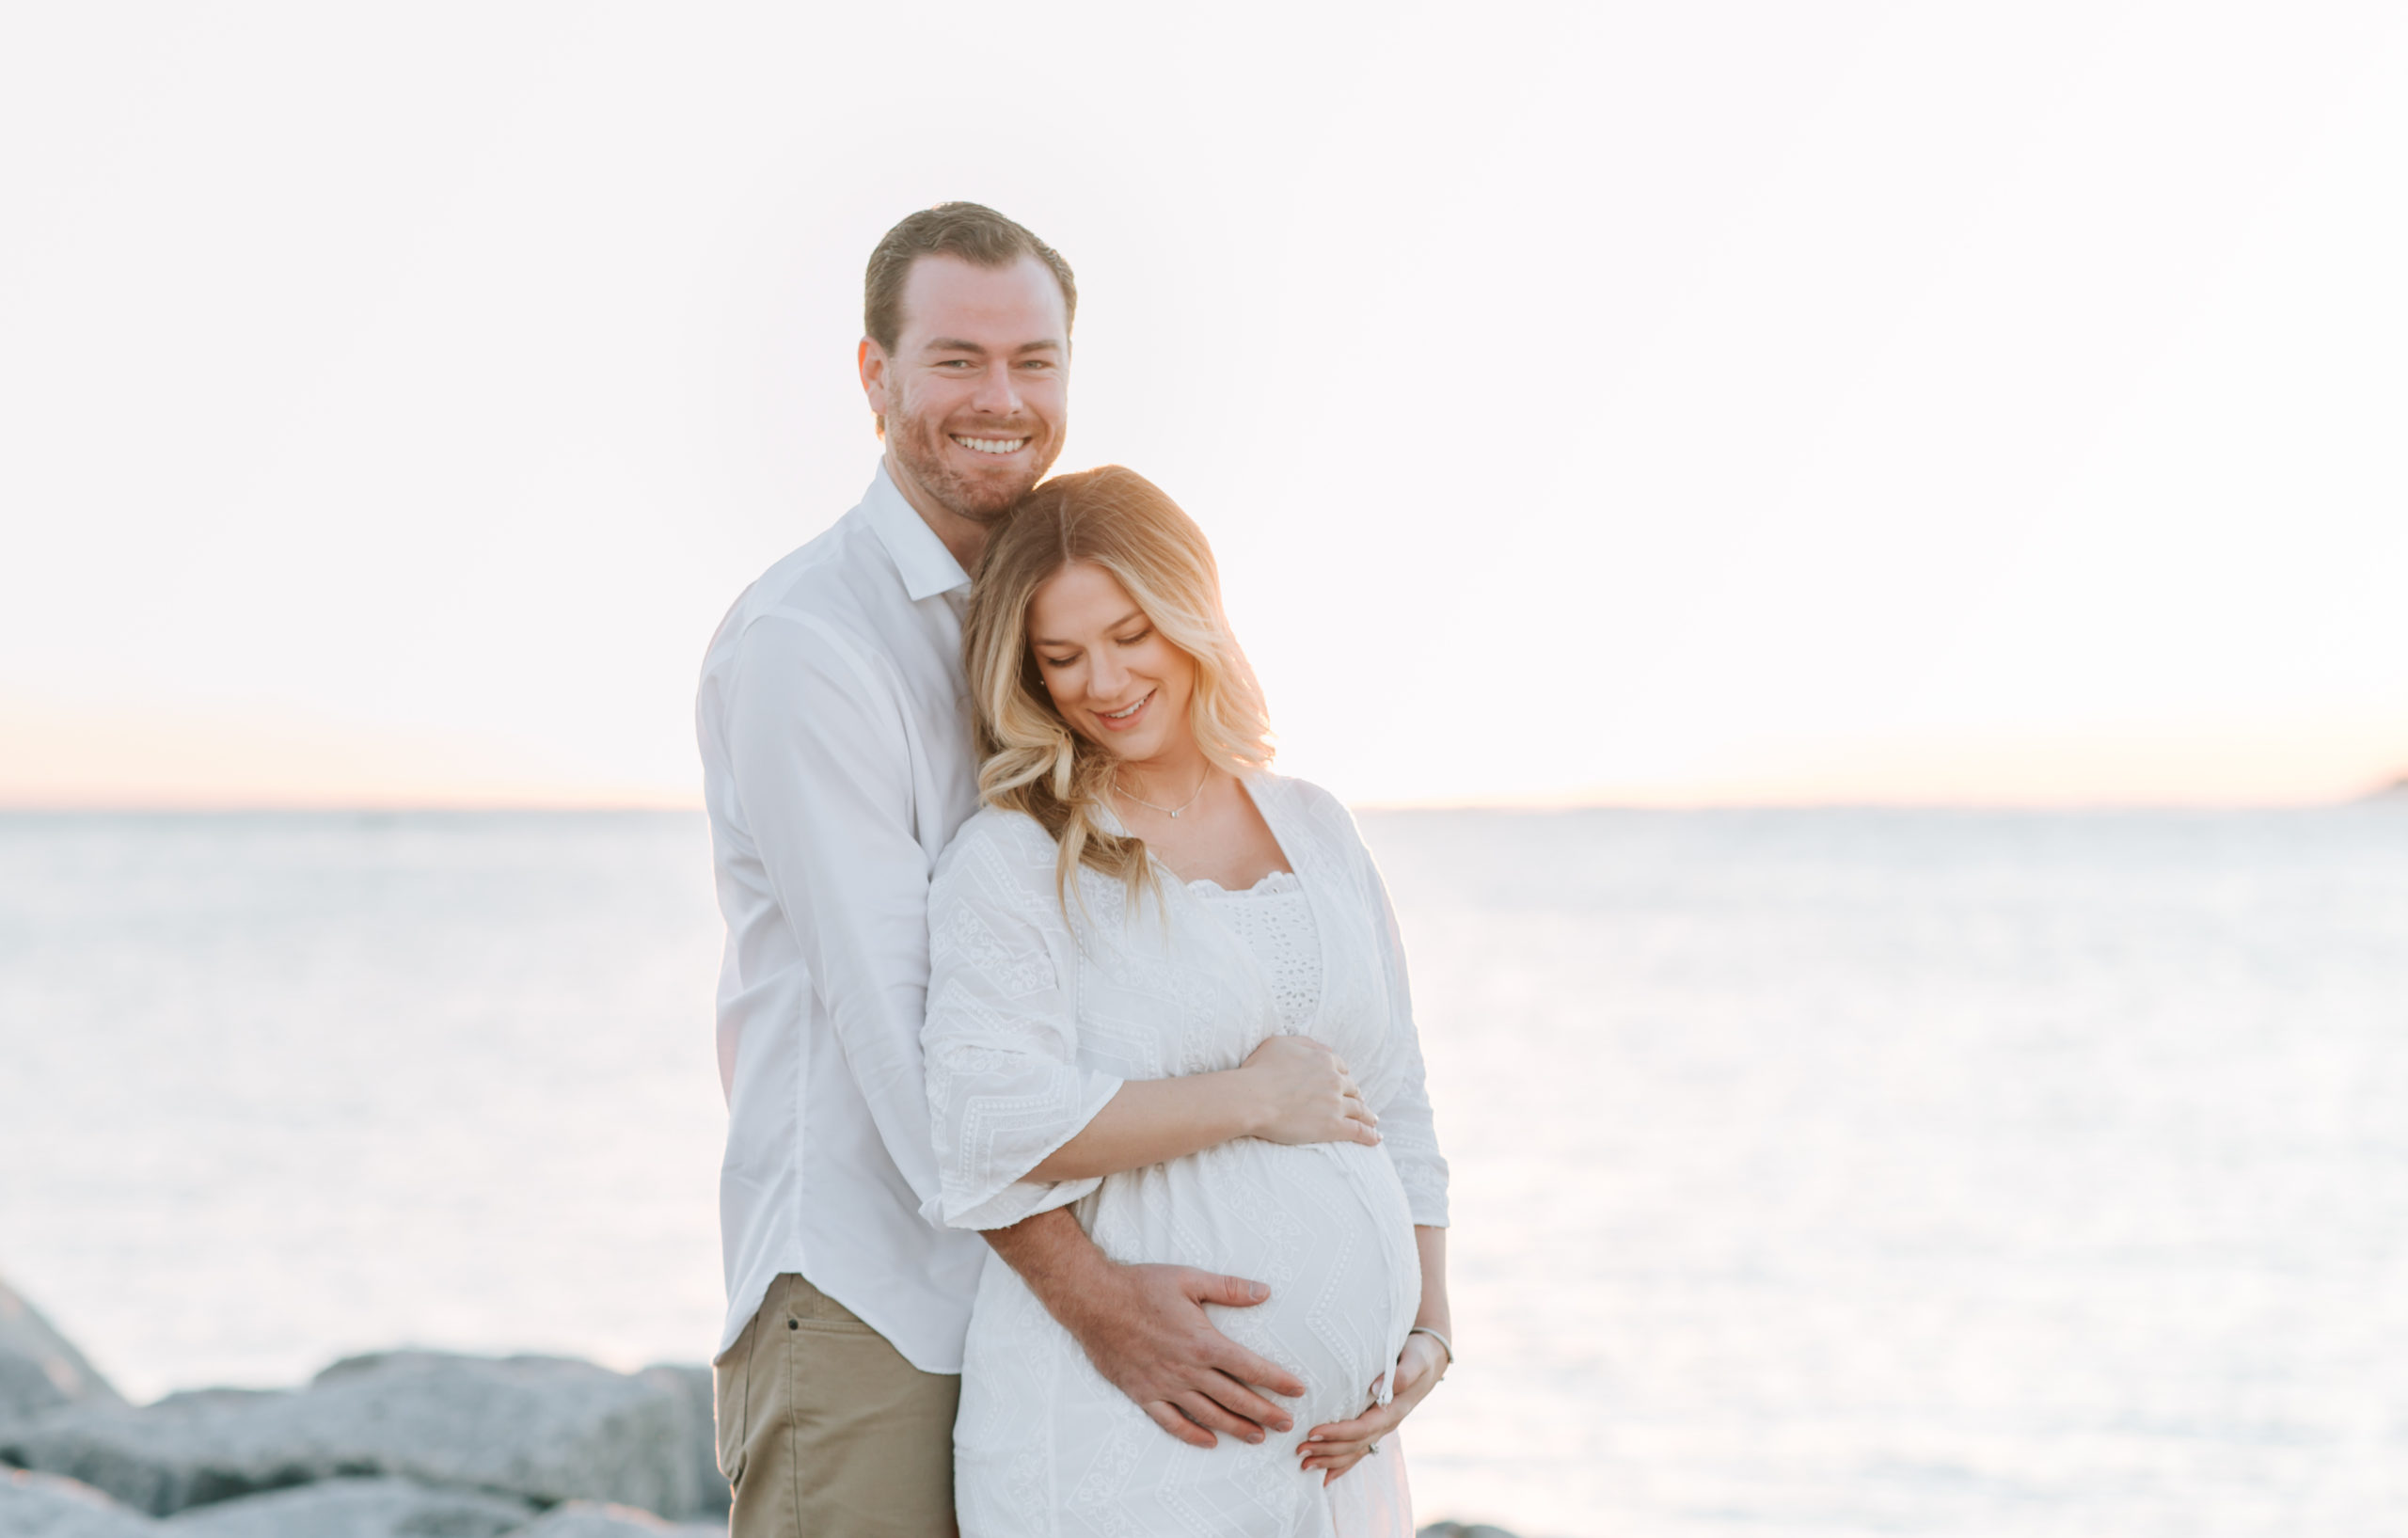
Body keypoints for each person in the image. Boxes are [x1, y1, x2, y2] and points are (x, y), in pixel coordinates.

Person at [695, 204, 1364, 1538]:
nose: (1001, 399)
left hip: (1056, 1316)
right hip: (878, 1300)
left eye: (1034, 361)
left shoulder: (1065, 616)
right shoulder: (808, 645)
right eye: (955, 359)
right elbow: (905, 1046)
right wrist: (1100, 1298)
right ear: (875, 376)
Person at [923, 466, 1455, 1535]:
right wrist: (1251, 1099)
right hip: (1128, 1436)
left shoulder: (1316, 825)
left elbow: (1395, 1101)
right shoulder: (1016, 861)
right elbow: (984, 1124)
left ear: (1192, 616)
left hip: (1335, 1455)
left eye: (1130, 636)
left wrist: (1428, 1330)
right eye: (1060, 657)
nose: (1102, 682)